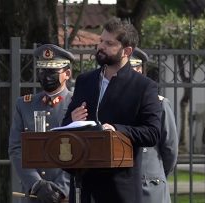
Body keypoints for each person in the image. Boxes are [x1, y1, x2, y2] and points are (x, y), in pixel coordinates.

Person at [62, 17, 162, 203]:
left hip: (121, 189)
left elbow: (152, 132)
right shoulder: (85, 81)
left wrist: (116, 130)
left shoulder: (143, 86)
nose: (101, 47)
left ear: (127, 51)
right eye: (101, 41)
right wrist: (72, 120)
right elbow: (66, 125)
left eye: (109, 43)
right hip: (86, 185)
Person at [9, 44, 74, 203]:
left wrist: (60, 188)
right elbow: (16, 148)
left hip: (66, 195)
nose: (46, 76)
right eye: (42, 71)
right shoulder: (24, 105)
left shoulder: (78, 104)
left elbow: (84, 150)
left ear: (67, 74)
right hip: (34, 195)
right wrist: (36, 184)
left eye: (52, 71)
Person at [131, 47, 178, 203]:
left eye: (132, 69)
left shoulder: (160, 104)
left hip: (150, 186)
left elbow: (170, 149)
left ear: (140, 71)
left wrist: (156, 173)